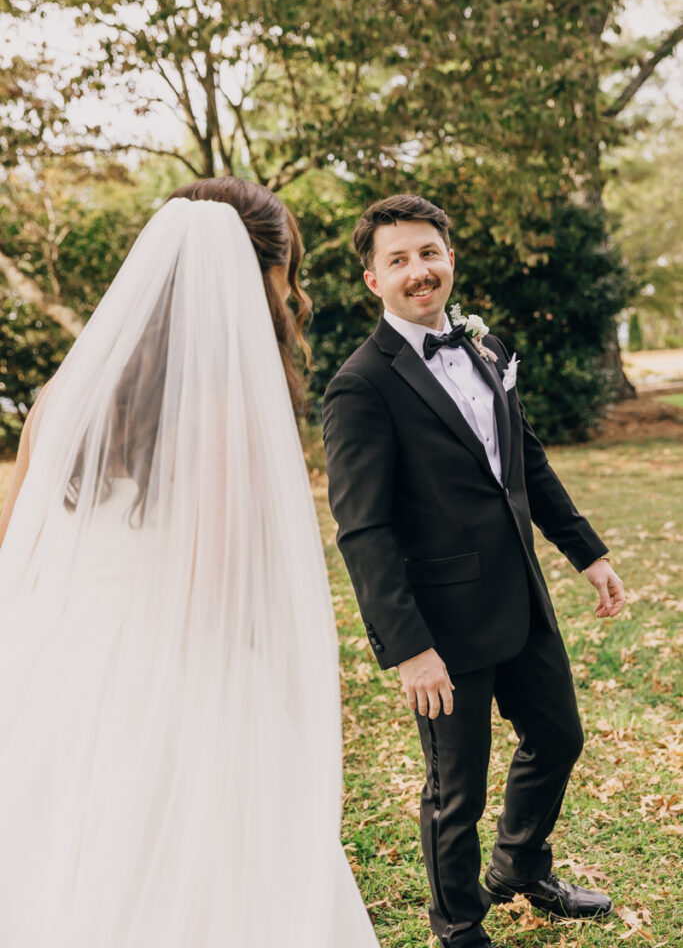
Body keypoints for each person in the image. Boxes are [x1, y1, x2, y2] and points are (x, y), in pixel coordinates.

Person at [0, 178, 379, 948]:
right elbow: (220, 593)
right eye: (289, 271)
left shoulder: (55, 404)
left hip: (52, 671)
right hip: (180, 685)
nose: (293, 293)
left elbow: (14, 550)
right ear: (260, 272)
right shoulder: (224, 409)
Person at [322, 194, 626, 948]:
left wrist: (586, 553)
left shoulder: (484, 349)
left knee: (557, 738)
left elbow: (523, 461)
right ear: (372, 281)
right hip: (441, 626)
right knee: (454, 792)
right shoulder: (360, 385)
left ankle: (519, 867)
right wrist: (408, 646)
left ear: (447, 257)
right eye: (398, 260)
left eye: (428, 253)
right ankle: (457, 925)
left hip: (518, 597)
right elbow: (362, 528)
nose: (418, 271)